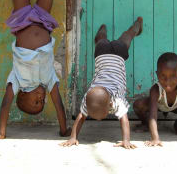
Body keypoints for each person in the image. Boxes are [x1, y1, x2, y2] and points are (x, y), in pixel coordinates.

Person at [0, 0, 70, 139]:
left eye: (36, 102)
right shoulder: (49, 80)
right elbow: (58, 104)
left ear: (23, 95)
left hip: (21, 21)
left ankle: (15, 1)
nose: (42, 98)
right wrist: (63, 130)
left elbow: (5, 104)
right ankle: (16, 0)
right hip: (43, 21)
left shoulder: (17, 81)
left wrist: (2, 133)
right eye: (42, 102)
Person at [60, 18, 143, 149]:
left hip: (118, 54)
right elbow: (81, 117)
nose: (98, 119)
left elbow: (125, 120)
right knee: (102, 41)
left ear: (110, 104)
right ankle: (106, 32)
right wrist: (73, 138)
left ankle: (134, 28)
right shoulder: (89, 98)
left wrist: (126, 140)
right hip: (102, 54)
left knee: (126, 39)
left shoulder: (116, 99)